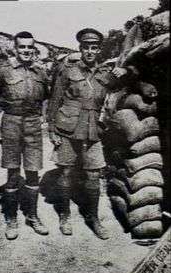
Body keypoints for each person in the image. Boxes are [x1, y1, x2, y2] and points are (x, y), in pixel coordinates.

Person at [48, 28, 137, 239]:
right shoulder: (67, 69)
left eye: (94, 47)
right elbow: (54, 100)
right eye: (86, 47)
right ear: (80, 48)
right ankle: (64, 215)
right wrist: (51, 129)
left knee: (93, 175)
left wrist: (127, 71)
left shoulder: (106, 73)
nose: (90, 51)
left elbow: (130, 81)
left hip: (93, 131)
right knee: (66, 172)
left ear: (99, 50)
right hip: (67, 128)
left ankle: (93, 218)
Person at [0, 31, 49, 240]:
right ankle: (11, 219)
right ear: (15, 48)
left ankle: (32, 216)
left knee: (33, 172)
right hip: (11, 122)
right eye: (22, 47)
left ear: (34, 49)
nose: (27, 51)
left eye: (30, 47)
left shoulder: (40, 72)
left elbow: (46, 97)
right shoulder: (3, 71)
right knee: (13, 173)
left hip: (32, 124)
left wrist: (43, 117)